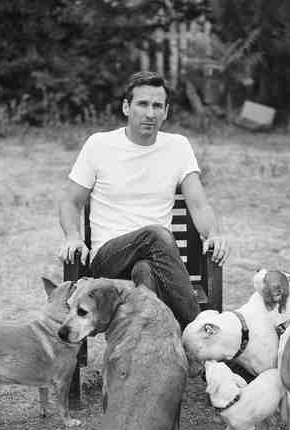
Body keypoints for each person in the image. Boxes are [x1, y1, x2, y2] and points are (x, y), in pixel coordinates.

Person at [58, 71, 229, 329]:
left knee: (145, 272)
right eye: (142, 104)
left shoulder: (178, 147)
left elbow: (199, 204)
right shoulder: (99, 145)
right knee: (155, 235)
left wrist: (213, 234)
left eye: (157, 106)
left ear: (166, 112)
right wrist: (73, 236)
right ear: (126, 107)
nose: (150, 113)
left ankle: (148, 349)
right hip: (108, 260)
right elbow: (70, 202)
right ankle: (199, 329)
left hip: (155, 263)